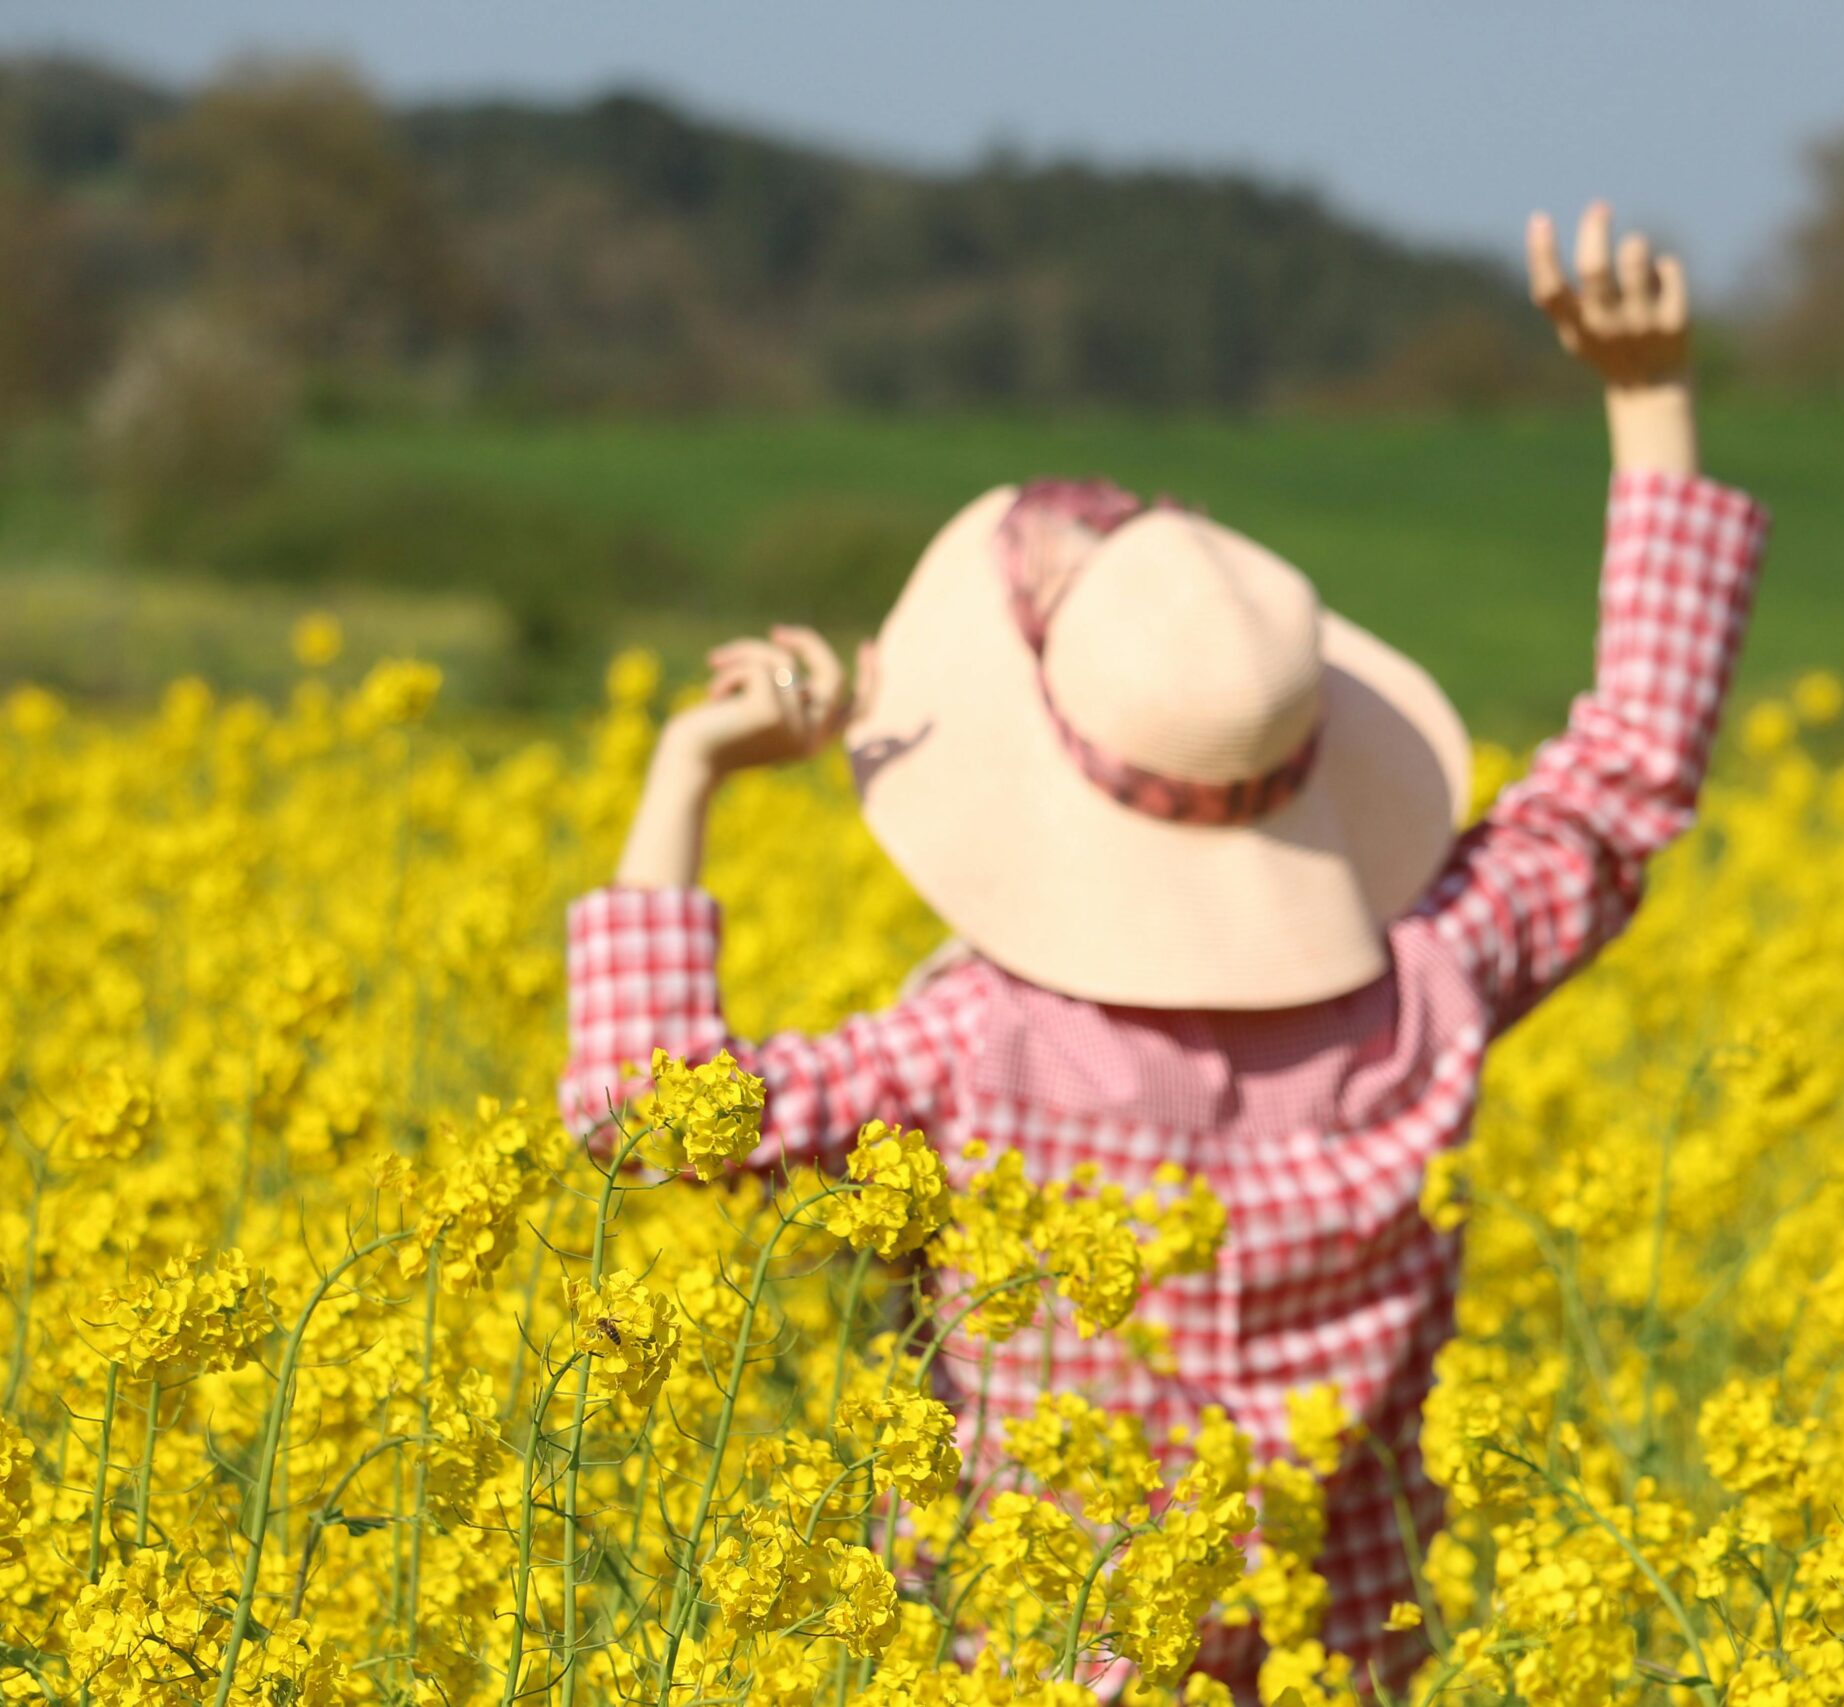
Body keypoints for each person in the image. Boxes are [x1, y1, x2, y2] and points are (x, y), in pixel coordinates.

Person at [560, 201, 1768, 1694]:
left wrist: (689, 771)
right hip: (1345, 1673)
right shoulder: (1428, 994)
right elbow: (1628, 782)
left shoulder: (970, 1054)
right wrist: (1649, 401)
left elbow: (642, 1114)